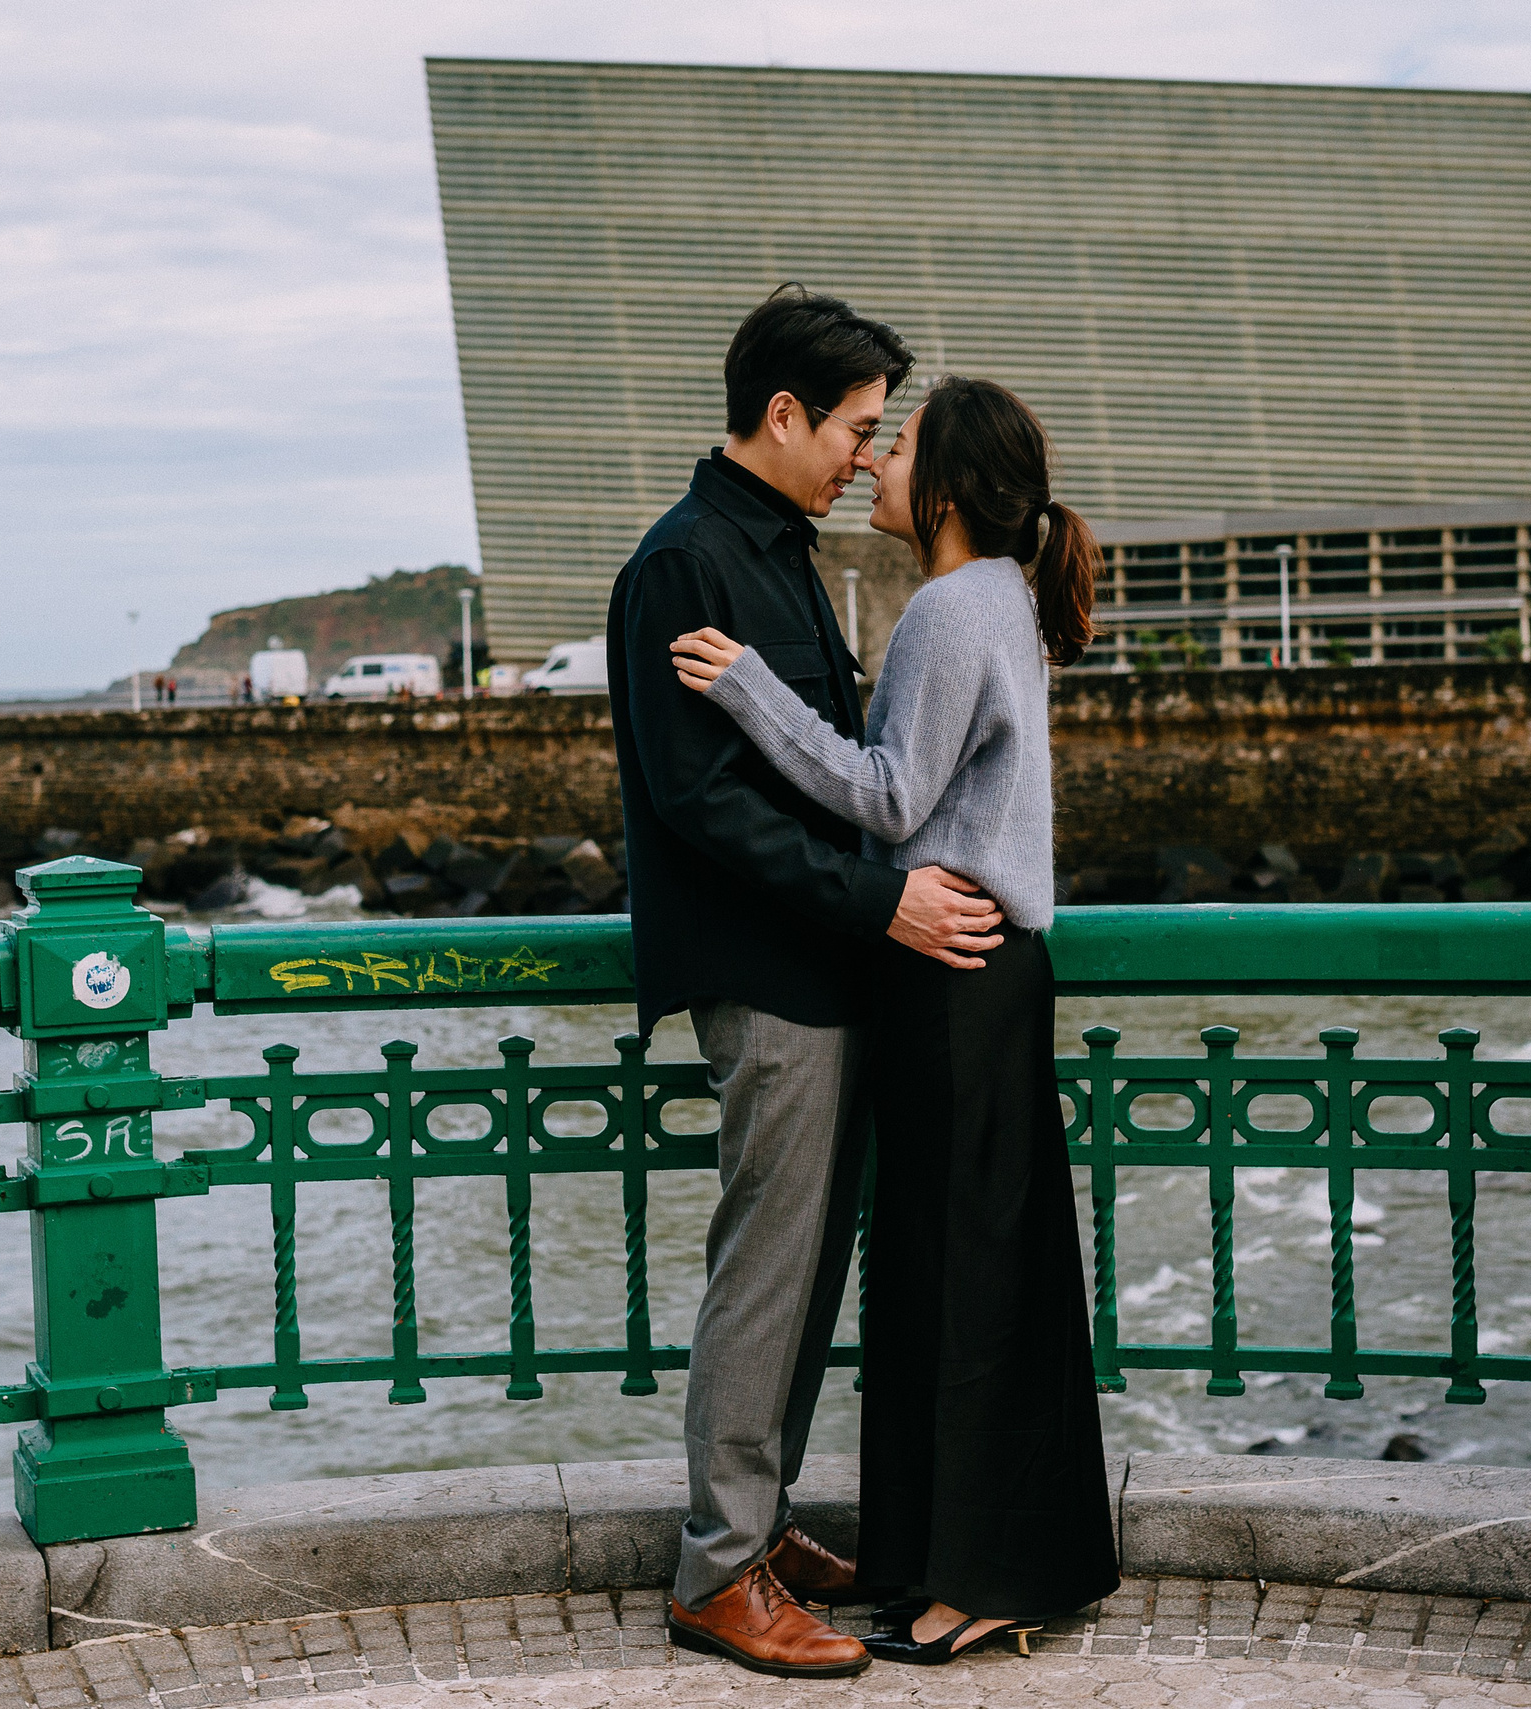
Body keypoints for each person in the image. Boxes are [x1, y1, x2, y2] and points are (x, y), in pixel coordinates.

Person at [669, 375, 1122, 1666]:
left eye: (900, 446)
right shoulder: (1004, 601)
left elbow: (885, 794)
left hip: (951, 967)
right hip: (988, 963)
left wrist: (750, 690)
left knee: (956, 1280)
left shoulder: (949, 606)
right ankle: (950, 1557)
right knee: (966, 1270)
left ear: (955, 488)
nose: (876, 465)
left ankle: (978, 1578)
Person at [607, 285, 1006, 1682]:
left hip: (817, 963)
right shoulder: (688, 563)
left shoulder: (771, 548)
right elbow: (702, 800)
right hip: (767, 970)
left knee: (806, 1264)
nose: (863, 453)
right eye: (853, 427)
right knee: (769, 1270)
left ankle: (758, 1525)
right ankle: (720, 1570)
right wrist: (882, 899)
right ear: (781, 413)